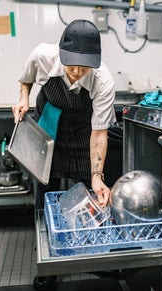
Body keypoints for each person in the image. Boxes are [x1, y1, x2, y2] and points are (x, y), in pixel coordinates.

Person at [12, 19, 116, 209]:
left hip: (84, 131)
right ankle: (45, 225)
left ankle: (84, 231)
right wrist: (23, 98)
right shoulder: (42, 56)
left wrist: (97, 176)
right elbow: (26, 80)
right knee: (45, 184)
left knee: (87, 191)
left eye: (84, 68)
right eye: (71, 66)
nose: (77, 72)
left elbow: (99, 133)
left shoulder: (103, 81)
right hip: (50, 127)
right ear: (61, 55)